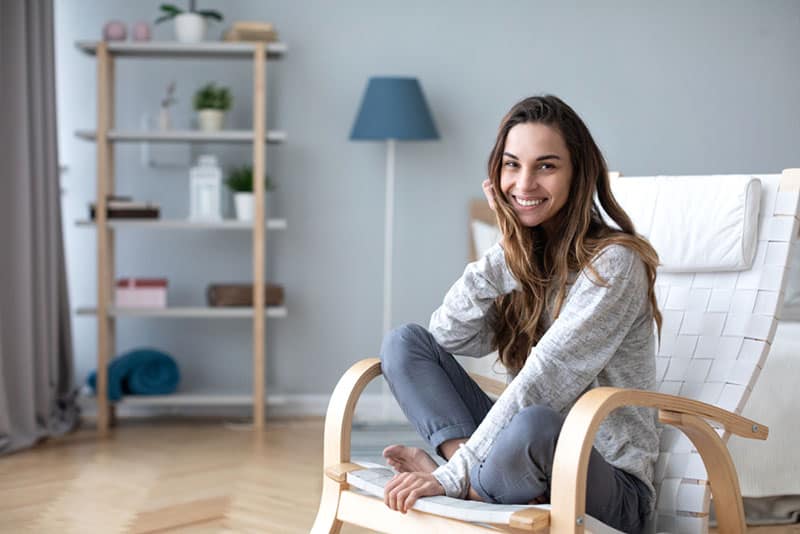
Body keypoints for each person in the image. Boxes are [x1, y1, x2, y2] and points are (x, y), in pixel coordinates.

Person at [378, 95, 663, 533]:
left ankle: (463, 482)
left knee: (538, 423)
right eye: (512, 165)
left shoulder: (615, 263)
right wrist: (507, 249)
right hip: (515, 461)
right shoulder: (521, 258)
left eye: (546, 166)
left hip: (608, 487)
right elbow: (446, 335)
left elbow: (548, 378)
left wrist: (448, 478)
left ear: (577, 174)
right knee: (404, 342)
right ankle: (473, 476)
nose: (524, 183)